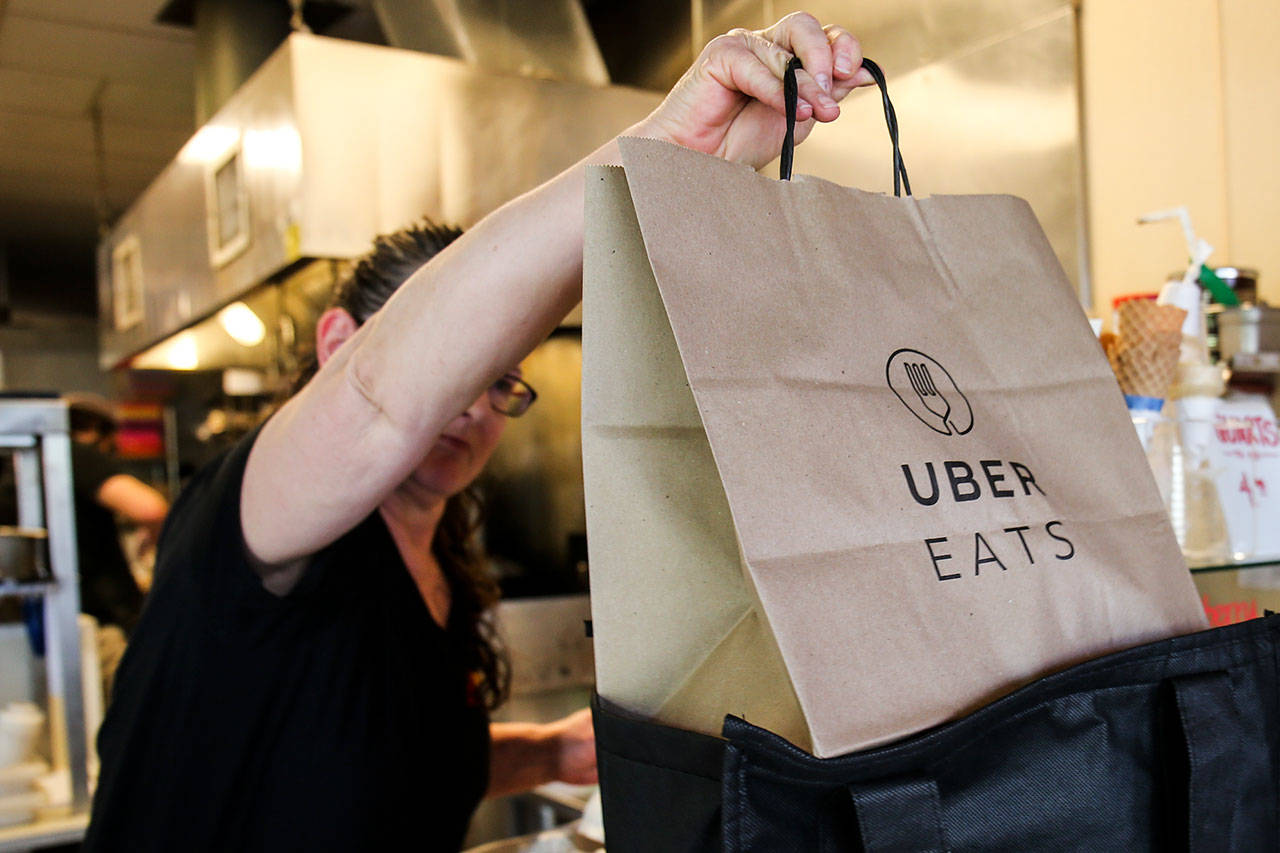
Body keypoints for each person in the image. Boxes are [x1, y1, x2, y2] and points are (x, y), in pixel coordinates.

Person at [84, 12, 871, 851]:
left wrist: (550, 749)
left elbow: (376, 757)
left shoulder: (439, 568)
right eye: (457, 372)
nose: (470, 404)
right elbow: (384, 401)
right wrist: (662, 152)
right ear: (336, 346)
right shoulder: (251, 524)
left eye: (499, 381)